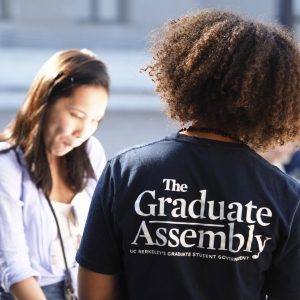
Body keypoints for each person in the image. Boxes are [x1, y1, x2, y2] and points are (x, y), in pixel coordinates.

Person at [76, 9, 300, 300]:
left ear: (188, 75)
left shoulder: (127, 170)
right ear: (274, 99)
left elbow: (93, 292)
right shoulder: (284, 195)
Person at [0, 48, 110, 299]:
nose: (82, 131)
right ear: (44, 101)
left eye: (95, 120)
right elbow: (14, 268)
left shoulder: (91, 151)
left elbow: (105, 237)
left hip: (83, 288)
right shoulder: (6, 164)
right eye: (76, 115)